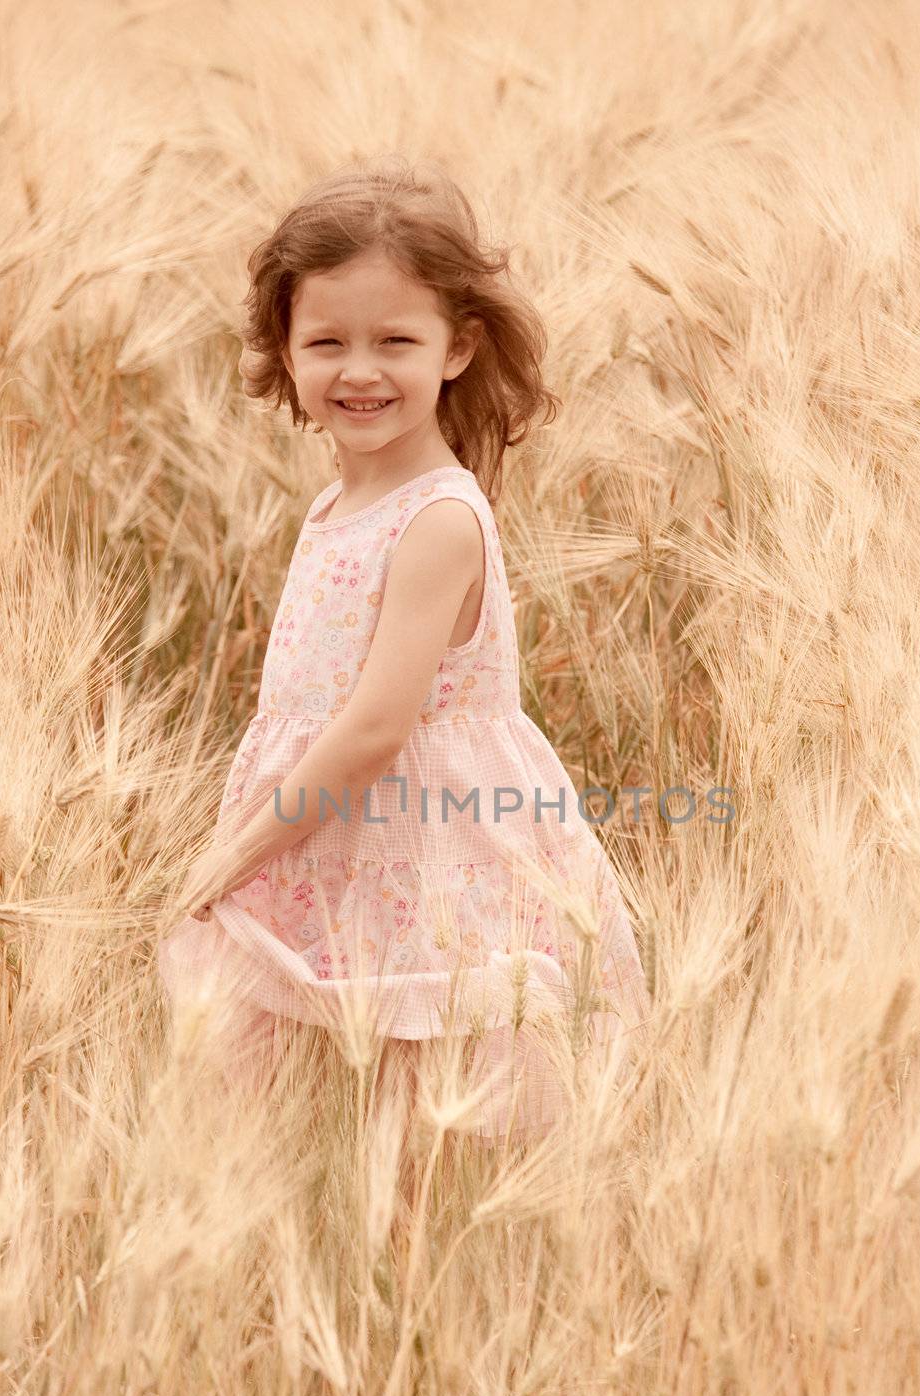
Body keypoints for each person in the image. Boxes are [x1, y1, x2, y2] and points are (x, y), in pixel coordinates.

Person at [156, 153, 650, 1170]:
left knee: (417, 1115)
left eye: (396, 340)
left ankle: (417, 1297)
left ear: (458, 347)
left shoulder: (437, 521)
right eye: (325, 341)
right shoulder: (334, 507)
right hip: (329, 837)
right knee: (317, 1129)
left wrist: (237, 851)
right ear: (283, 353)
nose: (359, 370)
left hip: (424, 853)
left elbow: (379, 727)